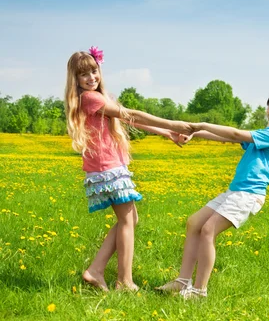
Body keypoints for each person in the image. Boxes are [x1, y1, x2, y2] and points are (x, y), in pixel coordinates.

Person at [65, 47, 193, 292]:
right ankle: (124, 281)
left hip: (109, 165)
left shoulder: (99, 98)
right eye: (84, 75)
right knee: (127, 219)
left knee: (130, 218)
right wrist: (173, 123)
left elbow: (127, 119)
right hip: (107, 168)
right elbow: (130, 113)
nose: (91, 78)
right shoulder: (90, 98)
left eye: (94, 71)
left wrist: (166, 133)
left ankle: (95, 270)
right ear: (76, 80)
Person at [156, 90, 269, 299]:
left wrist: (202, 125)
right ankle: (181, 282)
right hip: (236, 191)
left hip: (248, 194)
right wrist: (195, 134)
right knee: (194, 223)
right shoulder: (263, 133)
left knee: (207, 230)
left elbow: (234, 133)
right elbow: (225, 137)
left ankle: (198, 291)